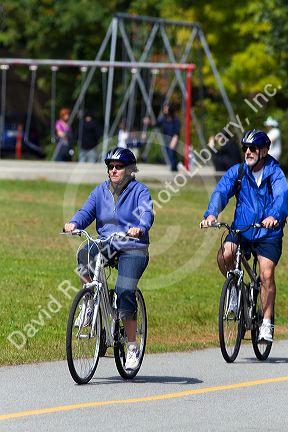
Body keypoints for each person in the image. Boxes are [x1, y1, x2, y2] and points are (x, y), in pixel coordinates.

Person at [64, 147, 154, 370]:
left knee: (124, 291)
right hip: (106, 243)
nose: (113, 171)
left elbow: (146, 212)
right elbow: (86, 211)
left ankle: (132, 346)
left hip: (133, 246)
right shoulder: (100, 191)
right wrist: (74, 223)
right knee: (84, 255)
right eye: (110, 167)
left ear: (130, 170)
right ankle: (89, 301)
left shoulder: (140, 191)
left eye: (119, 167)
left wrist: (140, 228)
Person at [201, 129, 287, 343]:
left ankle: (266, 323)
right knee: (225, 255)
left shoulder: (275, 173)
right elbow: (221, 192)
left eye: (253, 148)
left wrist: (274, 216)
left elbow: (281, 196)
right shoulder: (238, 172)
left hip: (268, 231)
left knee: (266, 275)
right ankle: (235, 291)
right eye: (245, 148)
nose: (248, 152)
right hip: (242, 229)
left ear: (264, 150)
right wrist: (212, 214)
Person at [144, 103, 181, 171]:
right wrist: (149, 122)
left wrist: (174, 140)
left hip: (173, 139)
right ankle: (174, 168)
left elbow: (177, 131)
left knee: (172, 154)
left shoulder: (175, 119)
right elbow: (156, 124)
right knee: (169, 154)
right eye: (164, 108)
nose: (165, 110)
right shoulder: (164, 119)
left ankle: (174, 168)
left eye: (166, 108)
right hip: (166, 139)